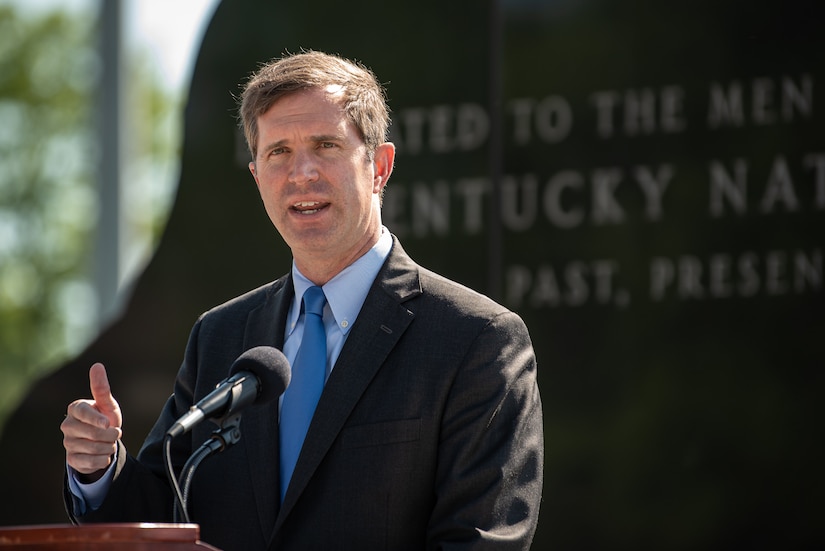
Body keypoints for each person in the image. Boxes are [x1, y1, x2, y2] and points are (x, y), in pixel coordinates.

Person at [60, 50, 544, 550]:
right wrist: (99, 468)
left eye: (325, 145)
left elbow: (480, 542)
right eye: (279, 152)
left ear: (379, 166)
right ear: (257, 178)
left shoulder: (477, 340)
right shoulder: (221, 336)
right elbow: (165, 512)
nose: (301, 173)